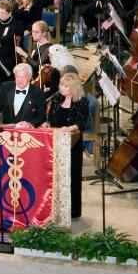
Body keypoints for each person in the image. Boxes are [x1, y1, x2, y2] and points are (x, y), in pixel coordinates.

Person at [44, 73, 89, 218]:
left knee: (72, 176)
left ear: (74, 87)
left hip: (73, 142)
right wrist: (47, 124)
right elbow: (51, 118)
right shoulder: (57, 98)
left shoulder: (82, 101)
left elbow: (82, 123)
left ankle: (73, 211)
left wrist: (68, 128)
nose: (62, 88)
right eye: (61, 85)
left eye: (66, 86)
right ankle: (55, 209)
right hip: (56, 140)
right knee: (55, 175)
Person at [0, 63, 47, 127]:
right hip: (6, 132)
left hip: (27, 133)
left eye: (23, 77)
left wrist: (30, 124)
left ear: (30, 77)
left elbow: (41, 116)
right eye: (17, 77)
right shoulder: (5, 87)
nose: (20, 80)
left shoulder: (39, 93)